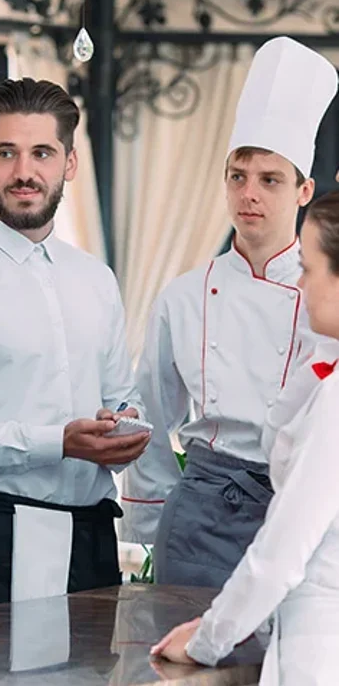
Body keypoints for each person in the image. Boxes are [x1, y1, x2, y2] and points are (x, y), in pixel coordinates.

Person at [0, 77, 149, 609]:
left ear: (68, 163)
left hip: (92, 541)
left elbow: (118, 394)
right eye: (8, 153)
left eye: (42, 153)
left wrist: (124, 423)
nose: (25, 172)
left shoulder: (97, 278)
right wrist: (59, 442)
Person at [120, 36, 338, 588]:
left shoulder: (329, 296)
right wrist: (160, 508)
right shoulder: (184, 295)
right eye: (238, 177)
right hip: (201, 511)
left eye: (269, 180)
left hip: (299, 508)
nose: (250, 195)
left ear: (304, 190)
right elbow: (149, 411)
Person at [152, 189, 339, 685]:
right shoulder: (324, 374)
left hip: (315, 646)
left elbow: (280, 553)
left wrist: (205, 640)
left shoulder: (336, 398)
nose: (300, 284)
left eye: (309, 268)